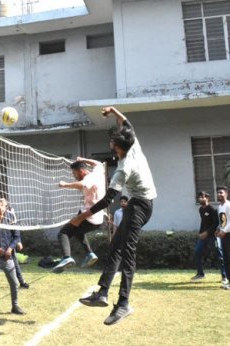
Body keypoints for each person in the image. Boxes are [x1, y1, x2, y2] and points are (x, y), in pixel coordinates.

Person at [76, 106, 157, 325]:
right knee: (115, 248)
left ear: (119, 148)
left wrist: (81, 218)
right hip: (138, 204)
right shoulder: (133, 145)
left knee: (127, 254)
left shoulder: (124, 168)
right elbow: (126, 122)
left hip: (139, 206)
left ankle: (123, 304)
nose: (110, 143)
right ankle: (102, 293)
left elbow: (105, 201)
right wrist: (114, 111)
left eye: (112, 142)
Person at [52, 157, 106, 273]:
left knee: (63, 233)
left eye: (74, 173)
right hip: (99, 218)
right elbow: (97, 163)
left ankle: (67, 258)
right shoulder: (97, 172)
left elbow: (81, 184)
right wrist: (83, 159)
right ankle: (90, 254)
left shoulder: (88, 178)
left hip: (88, 216)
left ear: (81, 171)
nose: (74, 176)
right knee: (78, 232)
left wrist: (65, 184)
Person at [191, 191, 227, 284]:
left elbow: (216, 223)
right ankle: (200, 274)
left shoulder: (212, 209)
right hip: (203, 236)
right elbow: (203, 223)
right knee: (197, 252)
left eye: (202, 197)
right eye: (199, 197)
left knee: (219, 255)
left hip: (212, 236)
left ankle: (224, 276)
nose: (200, 199)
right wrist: (201, 233)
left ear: (207, 198)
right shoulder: (201, 209)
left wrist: (207, 233)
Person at [215, 186, 230, 290]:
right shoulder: (220, 206)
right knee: (226, 259)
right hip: (224, 235)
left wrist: (224, 231)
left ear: (226, 194)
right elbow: (223, 221)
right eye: (218, 193)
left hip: (228, 235)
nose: (219, 194)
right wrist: (218, 228)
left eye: (221, 192)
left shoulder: (229, 205)